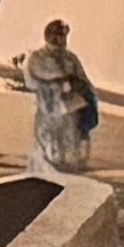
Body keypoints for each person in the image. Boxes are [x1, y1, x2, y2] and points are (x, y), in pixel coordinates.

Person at [17, 20, 102, 177]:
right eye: (56, 35)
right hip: (49, 103)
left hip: (71, 104)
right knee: (50, 135)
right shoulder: (37, 58)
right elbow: (33, 80)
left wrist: (85, 91)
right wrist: (59, 83)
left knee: (71, 131)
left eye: (62, 36)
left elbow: (82, 79)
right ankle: (50, 160)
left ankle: (70, 160)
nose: (60, 40)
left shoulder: (70, 58)